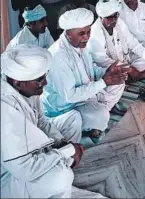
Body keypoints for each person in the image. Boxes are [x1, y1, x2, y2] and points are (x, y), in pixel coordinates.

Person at [1, 45, 84, 198]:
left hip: (31, 152)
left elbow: (41, 121)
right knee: (61, 177)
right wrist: (65, 152)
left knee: (73, 120)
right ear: (18, 82)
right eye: (40, 79)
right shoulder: (5, 109)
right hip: (9, 176)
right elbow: (24, 169)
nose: (45, 83)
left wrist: (62, 142)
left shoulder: (26, 90)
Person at [41, 8, 128, 143]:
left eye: (88, 32)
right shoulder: (58, 56)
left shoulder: (80, 44)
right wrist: (104, 82)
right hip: (62, 109)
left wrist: (107, 71)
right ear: (68, 33)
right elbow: (70, 96)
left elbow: (89, 68)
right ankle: (73, 132)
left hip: (82, 97)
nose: (87, 37)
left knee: (117, 85)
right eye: (81, 33)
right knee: (91, 116)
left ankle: (89, 124)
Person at [87, 0, 145, 82]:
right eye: (109, 17)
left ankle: (135, 76)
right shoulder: (95, 32)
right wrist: (128, 68)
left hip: (125, 59)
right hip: (107, 67)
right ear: (101, 17)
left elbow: (132, 43)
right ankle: (138, 76)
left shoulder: (119, 22)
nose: (114, 20)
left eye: (116, 15)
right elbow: (102, 61)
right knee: (114, 76)